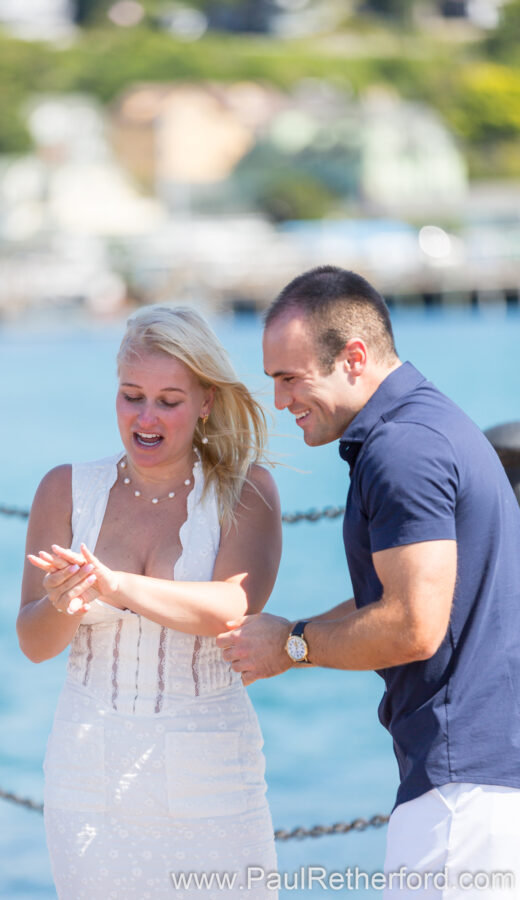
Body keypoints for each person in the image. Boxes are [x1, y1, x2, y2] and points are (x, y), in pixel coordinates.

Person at [217, 265, 520, 899]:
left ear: (353, 357)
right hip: (488, 781)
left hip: (463, 794)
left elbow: (413, 624)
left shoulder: (400, 448)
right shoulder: (429, 424)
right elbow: (411, 591)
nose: (279, 400)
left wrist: (293, 644)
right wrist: (282, 644)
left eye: (289, 378)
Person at [17, 305, 282, 900]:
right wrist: (62, 604)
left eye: (169, 400)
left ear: (207, 401)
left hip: (213, 777)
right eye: (132, 395)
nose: (146, 416)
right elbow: (33, 643)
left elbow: (229, 606)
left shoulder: (247, 490)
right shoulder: (64, 489)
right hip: (86, 779)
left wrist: (112, 586)